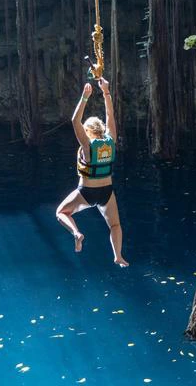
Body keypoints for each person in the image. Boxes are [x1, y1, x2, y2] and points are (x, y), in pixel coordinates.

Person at [56, 77, 129, 267]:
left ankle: (76, 233)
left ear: (88, 131)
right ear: (102, 129)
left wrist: (85, 97)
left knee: (61, 212)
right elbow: (110, 114)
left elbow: (74, 120)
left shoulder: (88, 146)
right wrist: (106, 91)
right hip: (107, 192)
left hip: (87, 192)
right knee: (115, 225)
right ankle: (118, 256)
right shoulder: (111, 140)